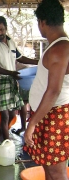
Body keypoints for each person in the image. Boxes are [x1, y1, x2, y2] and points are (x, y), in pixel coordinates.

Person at [24, 0, 69, 179]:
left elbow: (53, 91)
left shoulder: (59, 48)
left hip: (55, 116)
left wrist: (32, 124)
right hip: (48, 114)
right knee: (49, 169)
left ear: (42, 22)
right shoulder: (58, 46)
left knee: (56, 172)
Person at [0, 16, 38, 145]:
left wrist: (39, 62)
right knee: (5, 116)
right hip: (0, 82)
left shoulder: (11, 42)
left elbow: (21, 58)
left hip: (12, 80)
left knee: (13, 115)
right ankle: (7, 144)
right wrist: (11, 73)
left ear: (6, 28)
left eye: (1, 30)